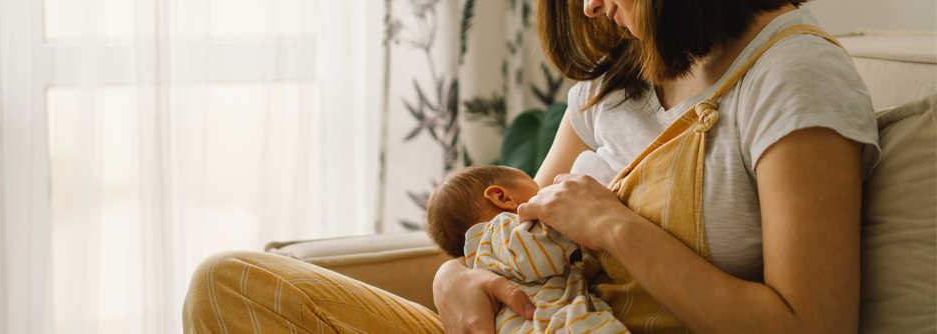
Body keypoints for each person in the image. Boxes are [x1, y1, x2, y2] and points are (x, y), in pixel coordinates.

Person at [182, 0, 880, 333]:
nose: (588, 8)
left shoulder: (793, 75)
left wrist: (617, 228)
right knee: (227, 286)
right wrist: (456, 275)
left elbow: (812, 327)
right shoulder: (612, 81)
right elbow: (522, 228)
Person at [424, 165, 629, 334]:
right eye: (537, 187)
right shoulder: (500, 230)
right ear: (502, 198)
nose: (545, 192)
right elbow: (537, 254)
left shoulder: (483, 259)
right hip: (547, 322)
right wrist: (580, 218)